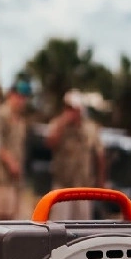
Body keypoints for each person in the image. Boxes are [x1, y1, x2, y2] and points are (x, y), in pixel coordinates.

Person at [45, 89, 106, 220]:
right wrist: (62, 123)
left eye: (73, 108)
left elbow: (99, 155)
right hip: (63, 184)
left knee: (82, 224)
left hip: (83, 185)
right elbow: (49, 143)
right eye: (68, 107)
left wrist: (101, 181)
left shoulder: (90, 128)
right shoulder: (57, 124)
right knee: (59, 223)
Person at [0, 79, 32, 220]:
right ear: (10, 95)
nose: (21, 100)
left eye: (24, 97)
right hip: (2, 176)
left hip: (15, 179)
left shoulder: (20, 119)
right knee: (2, 218)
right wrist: (10, 162)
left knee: (13, 219)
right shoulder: (2, 115)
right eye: (19, 96)